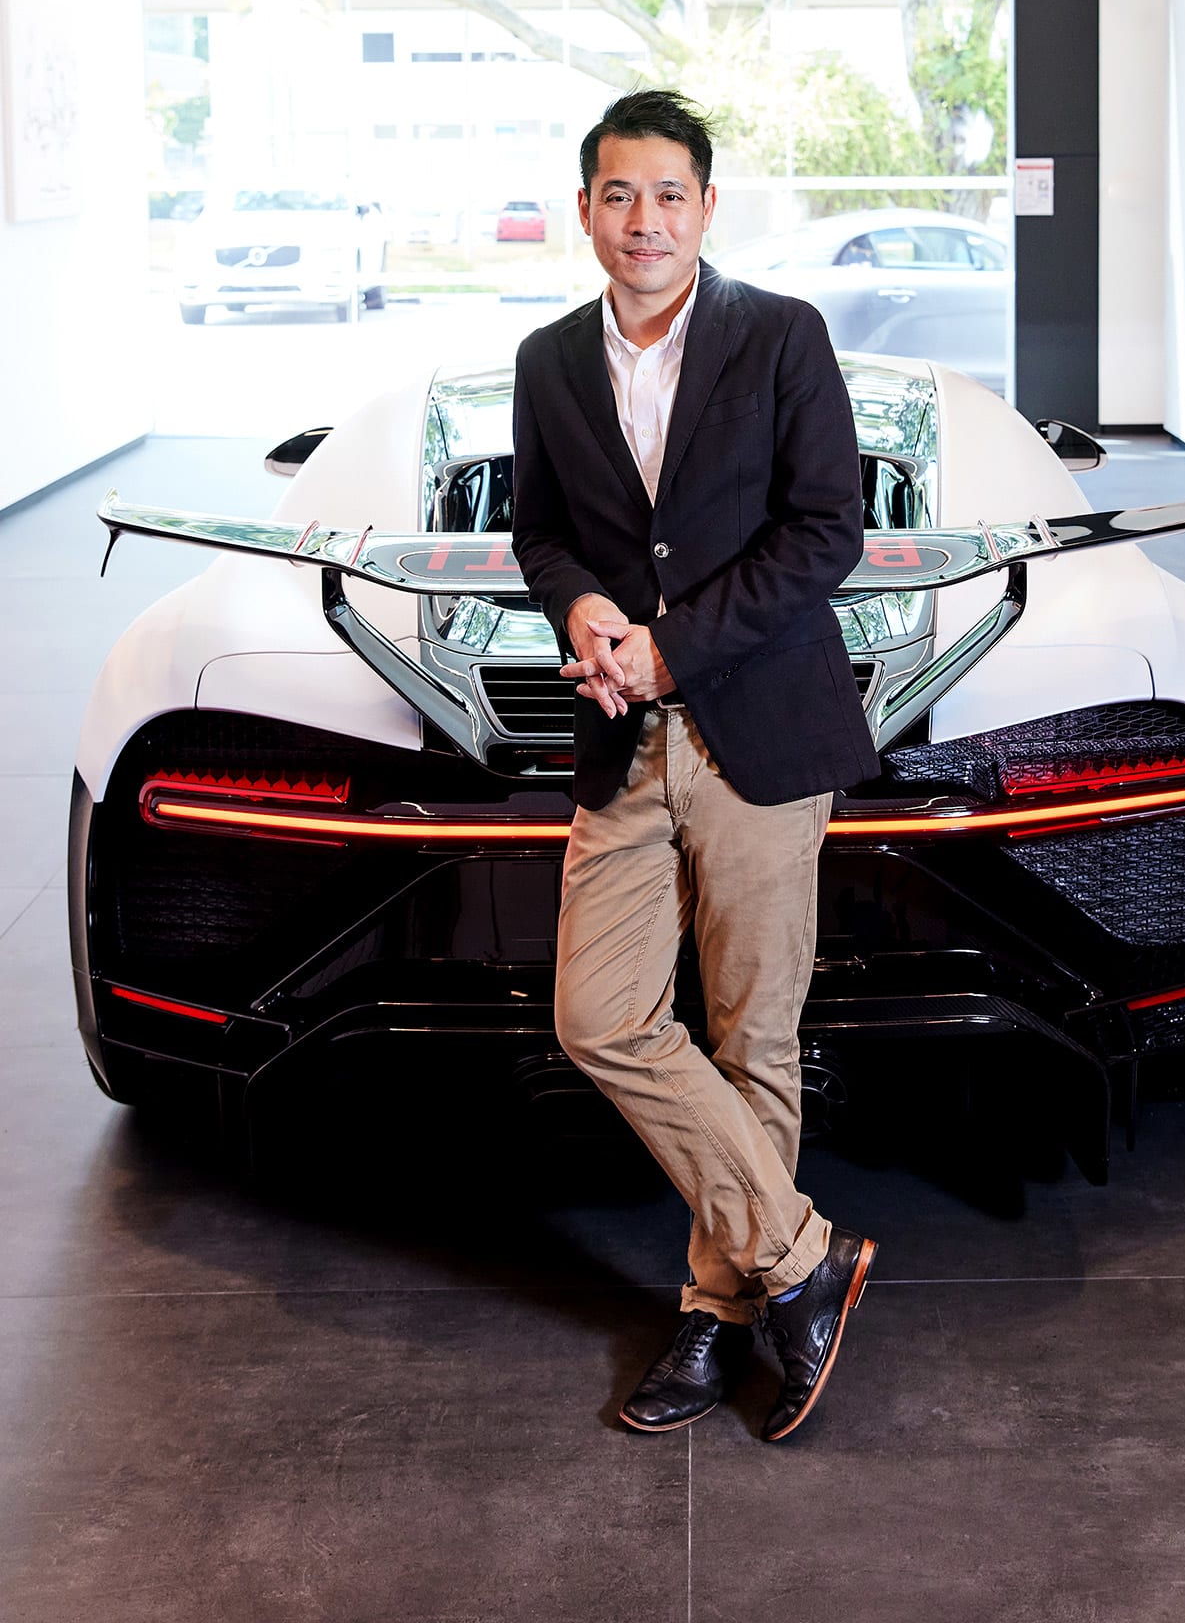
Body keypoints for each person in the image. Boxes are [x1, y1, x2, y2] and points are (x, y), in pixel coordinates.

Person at [510, 88, 880, 1442]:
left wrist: (670, 648)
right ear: (586, 210)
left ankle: (721, 1316)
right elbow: (541, 531)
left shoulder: (782, 336)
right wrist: (578, 610)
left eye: (669, 195)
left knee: (751, 1034)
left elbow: (825, 531)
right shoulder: (549, 359)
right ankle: (802, 1260)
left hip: (759, 731)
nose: (644, 220)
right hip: (621, 739)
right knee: (599, 1016)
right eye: (619, 195)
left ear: (708, 207)